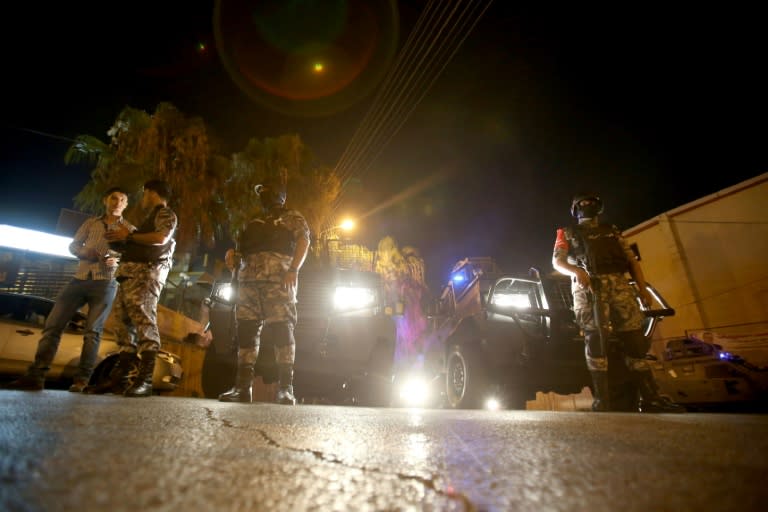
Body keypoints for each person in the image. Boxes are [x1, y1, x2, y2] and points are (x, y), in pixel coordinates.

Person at [552, 193, 684, 412]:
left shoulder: (612, 231)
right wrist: (575, 271)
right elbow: (557, 261)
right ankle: (602, 401)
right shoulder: (567, 232)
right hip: (589, 289)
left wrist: (642, 289)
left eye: (591, 202)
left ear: (599, 206)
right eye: (582, 203)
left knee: (635, 341)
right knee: (596, 342)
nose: (587, 206)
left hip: (619, 287)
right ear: (575, 209)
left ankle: (651, 398)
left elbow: (631, 260)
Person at [5, 187, 132, 392]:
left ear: (126, 205)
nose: (117, 202)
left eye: (122, 199)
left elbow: (132, 258)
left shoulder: (128, 229)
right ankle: (37, 375)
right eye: (114, 198)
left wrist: (116, 261)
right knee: (53, 325)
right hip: (79, 279)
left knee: (92, 332)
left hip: (106, 282)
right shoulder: (91, 223)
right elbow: (73, 245)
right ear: (105, 201)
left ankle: (82, 381)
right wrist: (84, 251)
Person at [218, 174, 310, 405]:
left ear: (279, 194)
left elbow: (304, 241)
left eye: (267, 190)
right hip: (248, 283)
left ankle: (286, 389)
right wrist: (232, 256)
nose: (263, 196)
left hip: (278, 282)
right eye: (261, 192)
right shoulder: (253, 220)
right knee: (247, 334)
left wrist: (294, 269)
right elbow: (242, 248)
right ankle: (242, 388)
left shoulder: (292, 217)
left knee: (282, 332)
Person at [85, 179, 177, 397]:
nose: (143, 199)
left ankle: (145, 380)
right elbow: (140, 241)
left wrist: (129, 236)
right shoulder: (149, 218)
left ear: (151, 192)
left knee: (145, 322)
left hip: (145, 275)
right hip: (129, 275)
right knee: (124, 328)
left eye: (144, 194)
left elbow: (161, 237)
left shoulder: (165, 213)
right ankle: (119, 380)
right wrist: (121, 243)